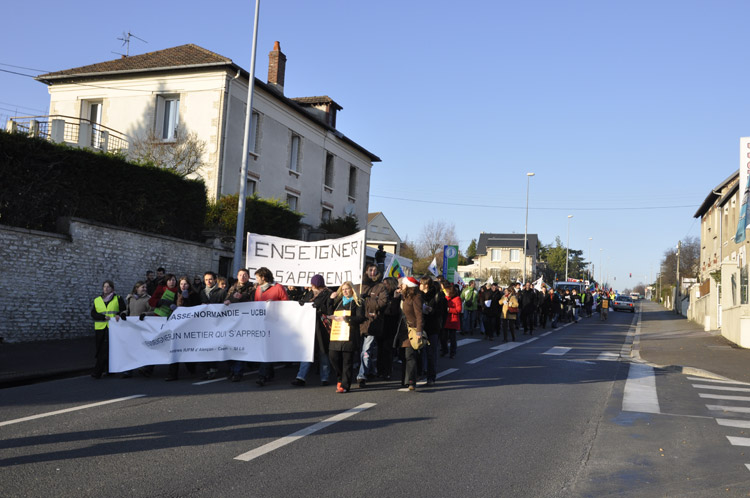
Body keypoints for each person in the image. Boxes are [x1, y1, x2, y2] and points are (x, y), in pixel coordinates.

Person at [292, 275, 333, 387]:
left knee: (323, 351)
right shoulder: (309, 294)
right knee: (307, 352)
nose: (313, 287)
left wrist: (318, 308)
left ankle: (325, 377)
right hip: (309, 327)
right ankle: (301, 377)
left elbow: (329, 310)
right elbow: (302, 302)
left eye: (314, 285)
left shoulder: (328, 294)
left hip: (321, 327)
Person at [253, 267, 288, 386]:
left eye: (258, 277)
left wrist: (274, 304)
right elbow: (256, 304)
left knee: (266, 349)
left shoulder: (278, 287)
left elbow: (286, 304)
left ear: (264, 277)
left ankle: (262, 376)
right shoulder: (258, 289)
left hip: (274, 323)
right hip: (261, 323)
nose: (256, 279)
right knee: (265, 349)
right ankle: (269, 372)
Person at [328, 281, 365, 393]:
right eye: (343, 289)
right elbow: (329, 311)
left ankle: (345, 385)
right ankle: (340, 378)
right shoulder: (338, 301)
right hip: (337, 334)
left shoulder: (358, 302)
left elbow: (360, 318)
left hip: (350, 336)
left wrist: (346, 319)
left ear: (352, 290)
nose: (344, 291)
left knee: (347, 361)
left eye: (347, 289)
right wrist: (330, 299)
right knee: (333, 357)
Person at [356, 263, 389, 388]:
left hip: (372, 322)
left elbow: (382, 303)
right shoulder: (359, 286)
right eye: (370, 270)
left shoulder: (380, 287)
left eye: (375, 270)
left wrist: (367, 300)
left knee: (366, 350)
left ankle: (361, 375)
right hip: (358, 322)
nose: (373, 272)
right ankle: (369, 369)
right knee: (360, 350)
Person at [164, 277, 201, 381]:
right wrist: (172, 307)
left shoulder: (194, 295)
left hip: (189, 326)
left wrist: (187, 300)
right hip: (177, 326)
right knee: (174, 349)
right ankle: (172, 374)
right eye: (181, 284)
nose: (183, 286)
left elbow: (197, 310)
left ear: (189, 285)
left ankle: (192, 369)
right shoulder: (176, 294)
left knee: (187, 349)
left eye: (185, 284)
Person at [224, 268, 255, 382]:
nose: (242, 277)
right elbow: (227, 300)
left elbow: (253, 303)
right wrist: (229, 300)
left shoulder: (252, 288)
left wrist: (242, 298)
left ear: (248, 276)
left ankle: (238, 371)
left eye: (245, 275)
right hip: (232, 322)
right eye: (240, 275)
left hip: (244, 322)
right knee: (231, 347)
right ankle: (232, 369)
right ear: (237, 276)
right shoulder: (232, 288)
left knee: (240, 347)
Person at [90, 280, 126, 379]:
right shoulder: (97, 300)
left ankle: (97, 372)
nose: (106, 288)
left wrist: (119, 314)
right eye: (104, 286)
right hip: (100, 328)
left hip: (113, 328)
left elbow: (124, 310)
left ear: (112, 289)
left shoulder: (118, 298)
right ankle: (110, 370)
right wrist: (102, 317)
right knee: (102, 349)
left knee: (104, 349)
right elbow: (93, 313)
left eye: (108, 287)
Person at [395, 277, 424, 391]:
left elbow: (419, 315)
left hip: (412, 329)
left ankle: (411, 381)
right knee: (403, 356)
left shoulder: (416, 297)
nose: (400, 285)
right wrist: (396, 296)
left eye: (403, 284)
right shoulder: (404, 296)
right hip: (402, 329)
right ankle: (404, 380)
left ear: (408, 285)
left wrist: (419, 331)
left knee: (410, 355)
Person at [121, 281, 152, 378]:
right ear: (136, 288)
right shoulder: (131, 298)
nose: (144, 289)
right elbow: (128, 310)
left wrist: (145, 314)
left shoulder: (148, 299)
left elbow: (153, 311)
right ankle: (128, 370)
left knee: (142, 348)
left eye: (145, 287)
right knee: (130, 349)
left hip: (142, 328)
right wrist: (124, 313)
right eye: (142, 287)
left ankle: (144, 368)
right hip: (131, 328)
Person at [199, 271, 226, 380]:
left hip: (217, 323)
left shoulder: (221, 292)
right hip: (205, 324)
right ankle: (207, 369)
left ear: (215, 280)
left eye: (210, 279)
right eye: (206, 280)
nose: (208, 281)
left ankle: (213, 369)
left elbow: (224, 307)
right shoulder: (202, 292)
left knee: (213, 347)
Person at [420, 275, 444, 385]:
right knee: (420, 352)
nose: (419, 286)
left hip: (432, 327)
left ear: (426, 285)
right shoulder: (418, 295)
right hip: (420, 326)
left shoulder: (438, 295)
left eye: (421, 284)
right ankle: (421, 372)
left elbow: (441, 312)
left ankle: (431, 377)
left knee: (431, 353)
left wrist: (431, 310)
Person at [378, 276, 401, 381]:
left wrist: (395, 299)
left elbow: (393, 311)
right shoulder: (382, 295)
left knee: (387, 349)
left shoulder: (396, 296)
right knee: (380, 349)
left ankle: (387, 371)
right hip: (381, 325)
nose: (384, 285)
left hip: (391, 326)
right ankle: (380, 370)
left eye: (385, 284)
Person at [441, 280, 462, 356]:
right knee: (444, 337)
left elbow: (459, 310)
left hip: (453, 320)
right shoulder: (445, 298)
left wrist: (449, 309)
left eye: (447, 291)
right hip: (446, 320)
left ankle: (453, 352)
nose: (446, 293)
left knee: (452, 338)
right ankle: (444, 350)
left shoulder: (457, 299)